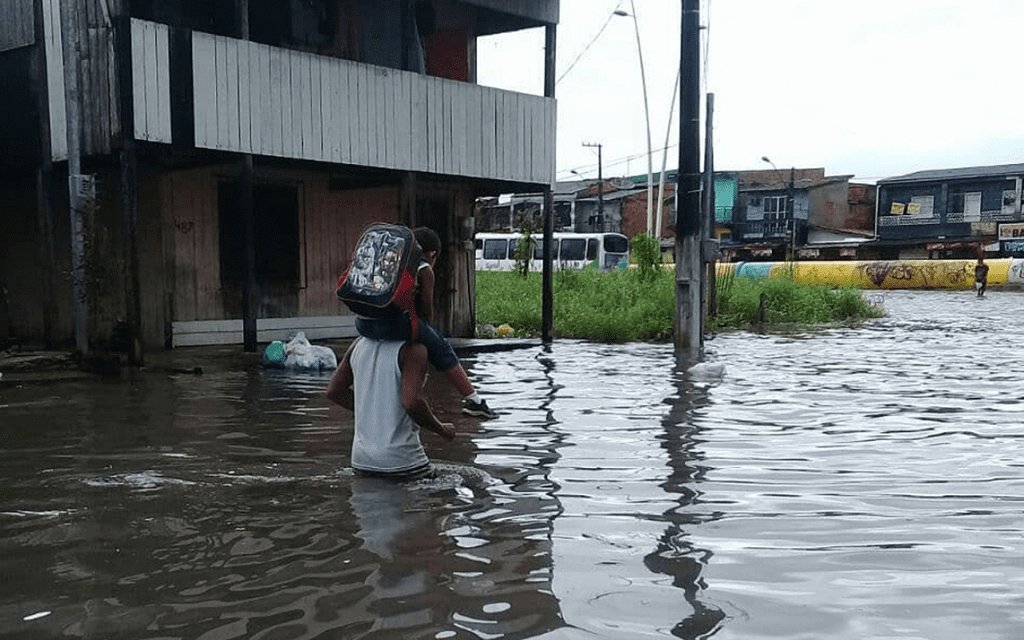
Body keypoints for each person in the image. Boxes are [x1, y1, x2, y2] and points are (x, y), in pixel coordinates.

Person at [354, 226, 497, 419]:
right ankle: (474, 400)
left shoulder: (388, 260)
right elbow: (427, 312)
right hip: (390, 326)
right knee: (442, 346)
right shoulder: (424, 268)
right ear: (431, 254)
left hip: (362, 324)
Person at [326, 336, 455, 480]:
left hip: (361, 460)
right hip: (403, 461)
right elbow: (412, 402)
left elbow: (334, 391)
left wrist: (373, 411)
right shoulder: (413, 349)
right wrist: (441, 429)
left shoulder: (358, 344)